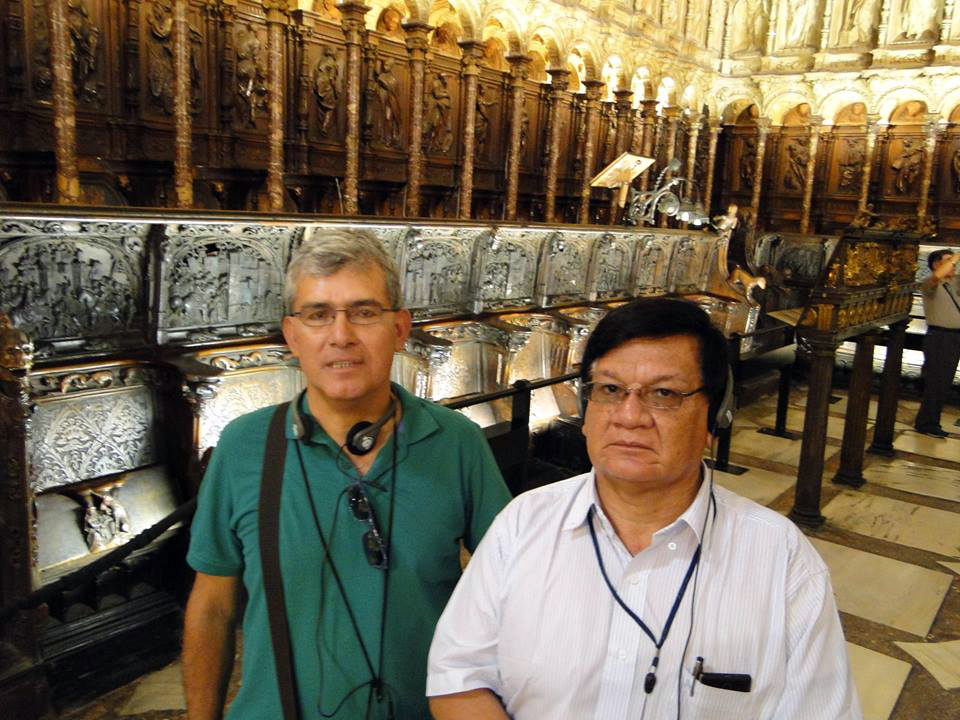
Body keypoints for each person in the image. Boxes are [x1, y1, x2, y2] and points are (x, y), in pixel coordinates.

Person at [427, 297, 862, 719]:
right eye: (610, 390)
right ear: (586, 410)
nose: (630, 416)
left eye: (664, 394)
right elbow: (458, 676)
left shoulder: (782, 561)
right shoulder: (524, 523)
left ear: (715, 419)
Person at [183, 229, 511, 719]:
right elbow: (213, 604)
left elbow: (513, 592)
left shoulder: (456, 441)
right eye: (318, 315)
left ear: (399, 328)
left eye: (364, 312)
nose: (341, 335)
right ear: (292, 335)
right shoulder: (246, 446)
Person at [914, 249, 960, 437]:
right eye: (948, 261)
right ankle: (927, 423)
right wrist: (956, 255)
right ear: (936, 264)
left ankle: (931, 420)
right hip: (940, 337)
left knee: (945, 381)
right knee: (937, 381)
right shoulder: (930, 284)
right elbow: (937, 276)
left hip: (955, 337)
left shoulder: (955, 283)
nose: (953, 265)